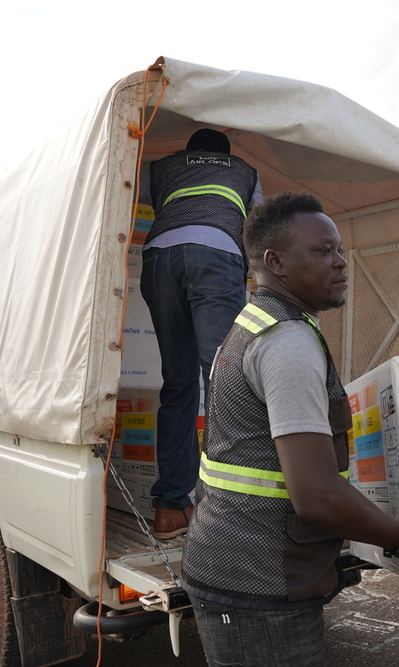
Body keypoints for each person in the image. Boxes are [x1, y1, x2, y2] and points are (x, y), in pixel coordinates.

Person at [180, 192, 399, 667]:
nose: (340, 263)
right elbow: (315, 494)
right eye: (322, 251)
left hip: (237, 567)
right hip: (260, 585)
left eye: (338, 250)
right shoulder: (287, 344)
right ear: (276, 262)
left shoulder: (258, 322)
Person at [140, 128, 262, 539]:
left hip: (159, 260)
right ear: (226, 155)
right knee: (224, 379)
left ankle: (171, 508)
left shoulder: (159, 168)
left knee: (178, 384)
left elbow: (123, 190)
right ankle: (228, 507)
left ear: (187, 149)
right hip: (215, 253)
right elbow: (259, 228)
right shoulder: (246, 172)